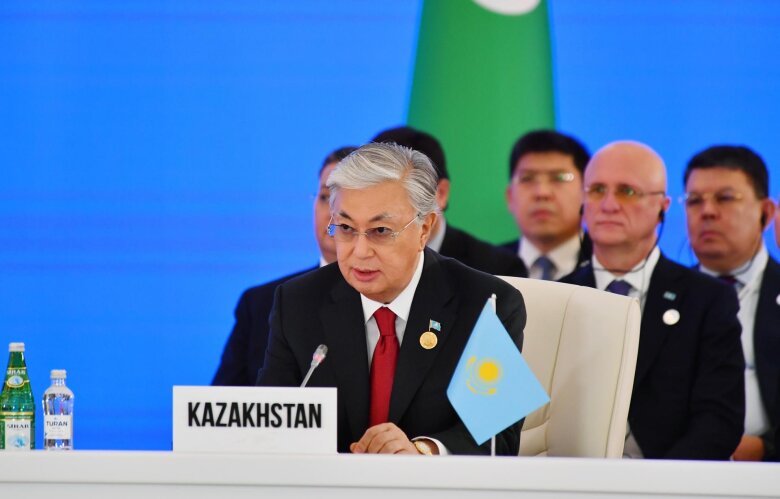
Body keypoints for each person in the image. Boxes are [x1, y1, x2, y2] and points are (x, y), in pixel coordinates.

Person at [257, 142, 526, 455]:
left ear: (424, 229)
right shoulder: (298, 303)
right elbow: (269, 426)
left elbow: (498, 438)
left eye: (381, 231)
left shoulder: (485, 305)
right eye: (345, 228)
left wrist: (424, 451)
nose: (360, 251)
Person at [562, 140, 745, 460]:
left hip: (672, 478)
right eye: (597, 190)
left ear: (662, 205)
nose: (608, 205)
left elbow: (719, 420)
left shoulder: (707, 299)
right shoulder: (557, 296)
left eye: (627, 191)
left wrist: (659, 480)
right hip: (571, 474)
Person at [212, 146, 357, 386]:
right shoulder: (261, 304)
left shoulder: (394, 300)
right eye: (325, 197)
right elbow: (221, 404)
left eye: (348, 199)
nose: (334, 213)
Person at [683, 145, 779, 461]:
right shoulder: (665, 296)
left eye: (725, 198)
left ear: (766, 213)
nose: (707, 211)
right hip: (681, 468)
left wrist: (766, 449)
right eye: (694, 200)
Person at [372, 126, 527, 277]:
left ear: (441, 193)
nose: (384, 207)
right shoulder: (360, 258)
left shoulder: (498, 268)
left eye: (404, 192)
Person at [503, 130, 591, 280]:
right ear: (510, 197)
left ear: (586, 193)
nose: (542, 193)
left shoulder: (610, 264)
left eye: (559, 178)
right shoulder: (483, 267)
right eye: (527, 178)